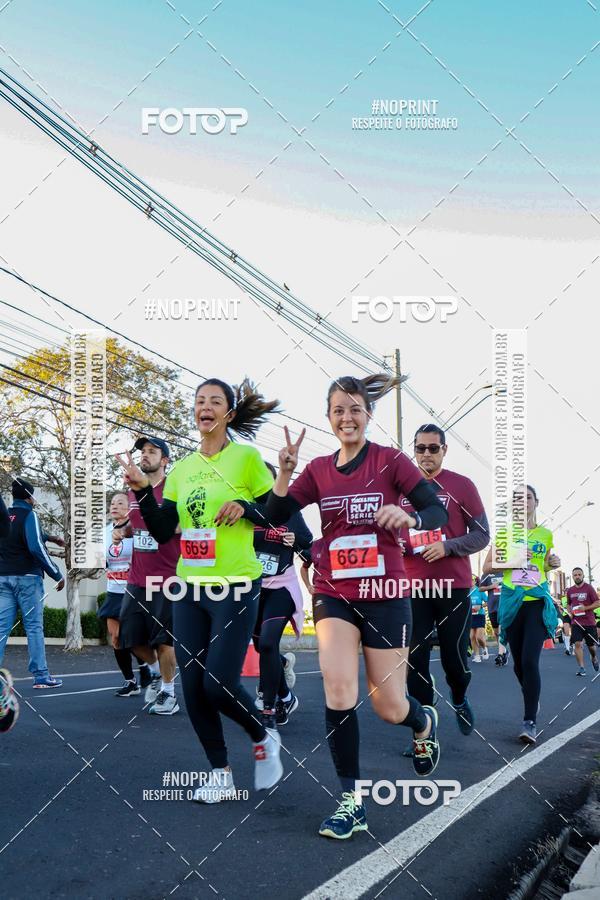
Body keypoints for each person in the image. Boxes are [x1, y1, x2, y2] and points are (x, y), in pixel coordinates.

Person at [264, 374, 449, 839]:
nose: (347, 417)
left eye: (355, 409)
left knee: (388, 706)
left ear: (368, 415)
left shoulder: (391, 462)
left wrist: (408, 516)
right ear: (328, 418)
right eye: (337, 410)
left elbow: (437, 512)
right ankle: (352, 802)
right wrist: (285, 475)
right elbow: (274, 515)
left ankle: (422, 721)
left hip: (387, 595)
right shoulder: (319, 471)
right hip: (334, 593)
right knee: (339, 689)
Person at [117, 379, 284, 801]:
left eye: (214, 402)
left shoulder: (245, 459)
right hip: (190, 587)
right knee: (192, 688)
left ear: (228, 413)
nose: (204, 407)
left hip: (236, 585)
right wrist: (141, 492)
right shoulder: (184, 469)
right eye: (199, 402)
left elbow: (279, 517)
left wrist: (247, 508)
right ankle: (221, 774)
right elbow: (159, 529)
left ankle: (263, 734)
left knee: (218, 683)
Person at [400, 424, 489, 743]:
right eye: (420, 448)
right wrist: (397, 544)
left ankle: (460, 697)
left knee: (454, 656)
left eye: (433, 448)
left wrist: (448, 546)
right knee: (414, 657)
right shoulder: (400, 490)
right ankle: (424, 730)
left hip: (453, 586)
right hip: (413, 588)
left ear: (444, 450)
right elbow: (391, 533)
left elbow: (482, 535)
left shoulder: (462, 486)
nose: (426, 454)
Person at [483, 485, 560, 745]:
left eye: (527, 497)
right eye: (517, 499)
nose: (522, 502)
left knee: (529, 660)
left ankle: (530, 722)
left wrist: (552, 563)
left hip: (536, 601)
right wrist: (512, 559)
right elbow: (486, 567)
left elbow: (546, 564)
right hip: (511, 601)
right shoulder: (505, 533)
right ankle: (531, 697)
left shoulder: (545, 534)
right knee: (518, 664)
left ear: (536, 502)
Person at [117, 438, 180, 715]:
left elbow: (186, 522)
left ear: (165, 460)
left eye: (152, 452)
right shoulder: (133, 491)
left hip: (167, 577)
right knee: (127, 639)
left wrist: (169, 527)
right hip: (137, 577)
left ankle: (169, 693)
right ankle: (155, 673)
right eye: (143, 451)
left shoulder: (174, 489)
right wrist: (127, 530)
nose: (145, 455)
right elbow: (136, 522)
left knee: (164, 640)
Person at [250, 462, 312, 727]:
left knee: (266, 644)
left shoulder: (288, 509)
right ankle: (285, 695)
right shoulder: (246, 508)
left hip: (281, 586)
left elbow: (308, 545)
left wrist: (293, 539)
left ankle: (268, 709)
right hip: (251, 588)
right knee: (265, 647)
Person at [0, 479, 64, 688]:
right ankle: (41, 676)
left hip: (3, 578)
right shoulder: (30, 515)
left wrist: (51, 537)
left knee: (1, 629)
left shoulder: (5, 516)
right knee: (34, 628)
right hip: (27, 579)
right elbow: (35, 547)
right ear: (30, 497)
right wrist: (56, 574)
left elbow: (18, 535)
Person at [97, 491, 153, 696]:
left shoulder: (137, 530)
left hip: (135, 590)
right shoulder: (104, 531)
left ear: (130, 508)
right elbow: (101, 559)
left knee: (134, 636)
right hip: (113, 590)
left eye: (121, 503)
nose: (115, 506)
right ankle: (131, 681)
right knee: (116, 637)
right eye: (112, 503)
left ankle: (147, 667)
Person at [566, 567, 600, 676]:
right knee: (577, 643)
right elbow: (568, 604)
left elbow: (598, 602)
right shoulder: (570, 590)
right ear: (572, 577)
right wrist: (570, 611)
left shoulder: (589, 588)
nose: (577, 576)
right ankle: (582, 667)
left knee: (591, 647)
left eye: (579, 574)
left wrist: (585, 608)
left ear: (583, 575)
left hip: (589, 622)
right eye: (575, 575)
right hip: (576, 622)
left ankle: (594, 657)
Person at [479, 573, 507, 665]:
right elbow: (480, 588)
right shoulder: (487, 574)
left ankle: (500, 655)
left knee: (501, 629)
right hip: (492, 607)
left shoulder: (506, 571)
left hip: (504, 605)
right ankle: (504, 650)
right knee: (496, 632)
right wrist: (491, 586)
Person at [469, 577, 488, 662]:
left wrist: (480, 606)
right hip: (470, 616)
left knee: (479, 637)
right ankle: (477, 656)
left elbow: (488, 602)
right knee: (472, 636)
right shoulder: (467, 591)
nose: (470, 582)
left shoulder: (480, 590)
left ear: (474, 581)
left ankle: (484, 648)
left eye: (471, 580)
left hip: (479, 615)